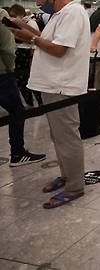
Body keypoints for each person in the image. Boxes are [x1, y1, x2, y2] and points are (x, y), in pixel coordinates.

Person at [8, 0, 90, 208]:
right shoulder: (59, 14)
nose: (37, 2)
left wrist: (32, 38)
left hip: (62, 85)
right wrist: (21, 26)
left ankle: (75, 184)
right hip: (51, 84)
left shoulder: (73, 13)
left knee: (67, 136)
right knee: (58, 136)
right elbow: (49, 40)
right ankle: (67, 175)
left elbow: (59, 49)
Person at [0, 9, 46, 167]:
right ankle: (17, 153)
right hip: (2, 75)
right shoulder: (1, 15)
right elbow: (6, 50)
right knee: (17, 111)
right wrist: (10, 69)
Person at [8, 4, 42, 107]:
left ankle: (40, 102)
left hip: (27, 53)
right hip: (18, 52)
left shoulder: (31, 23)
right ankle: (29, 102)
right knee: (20, 80)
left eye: (14, 16)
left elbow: (36, 40)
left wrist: (18, 36)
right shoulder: (20, 23)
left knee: (28, 78)